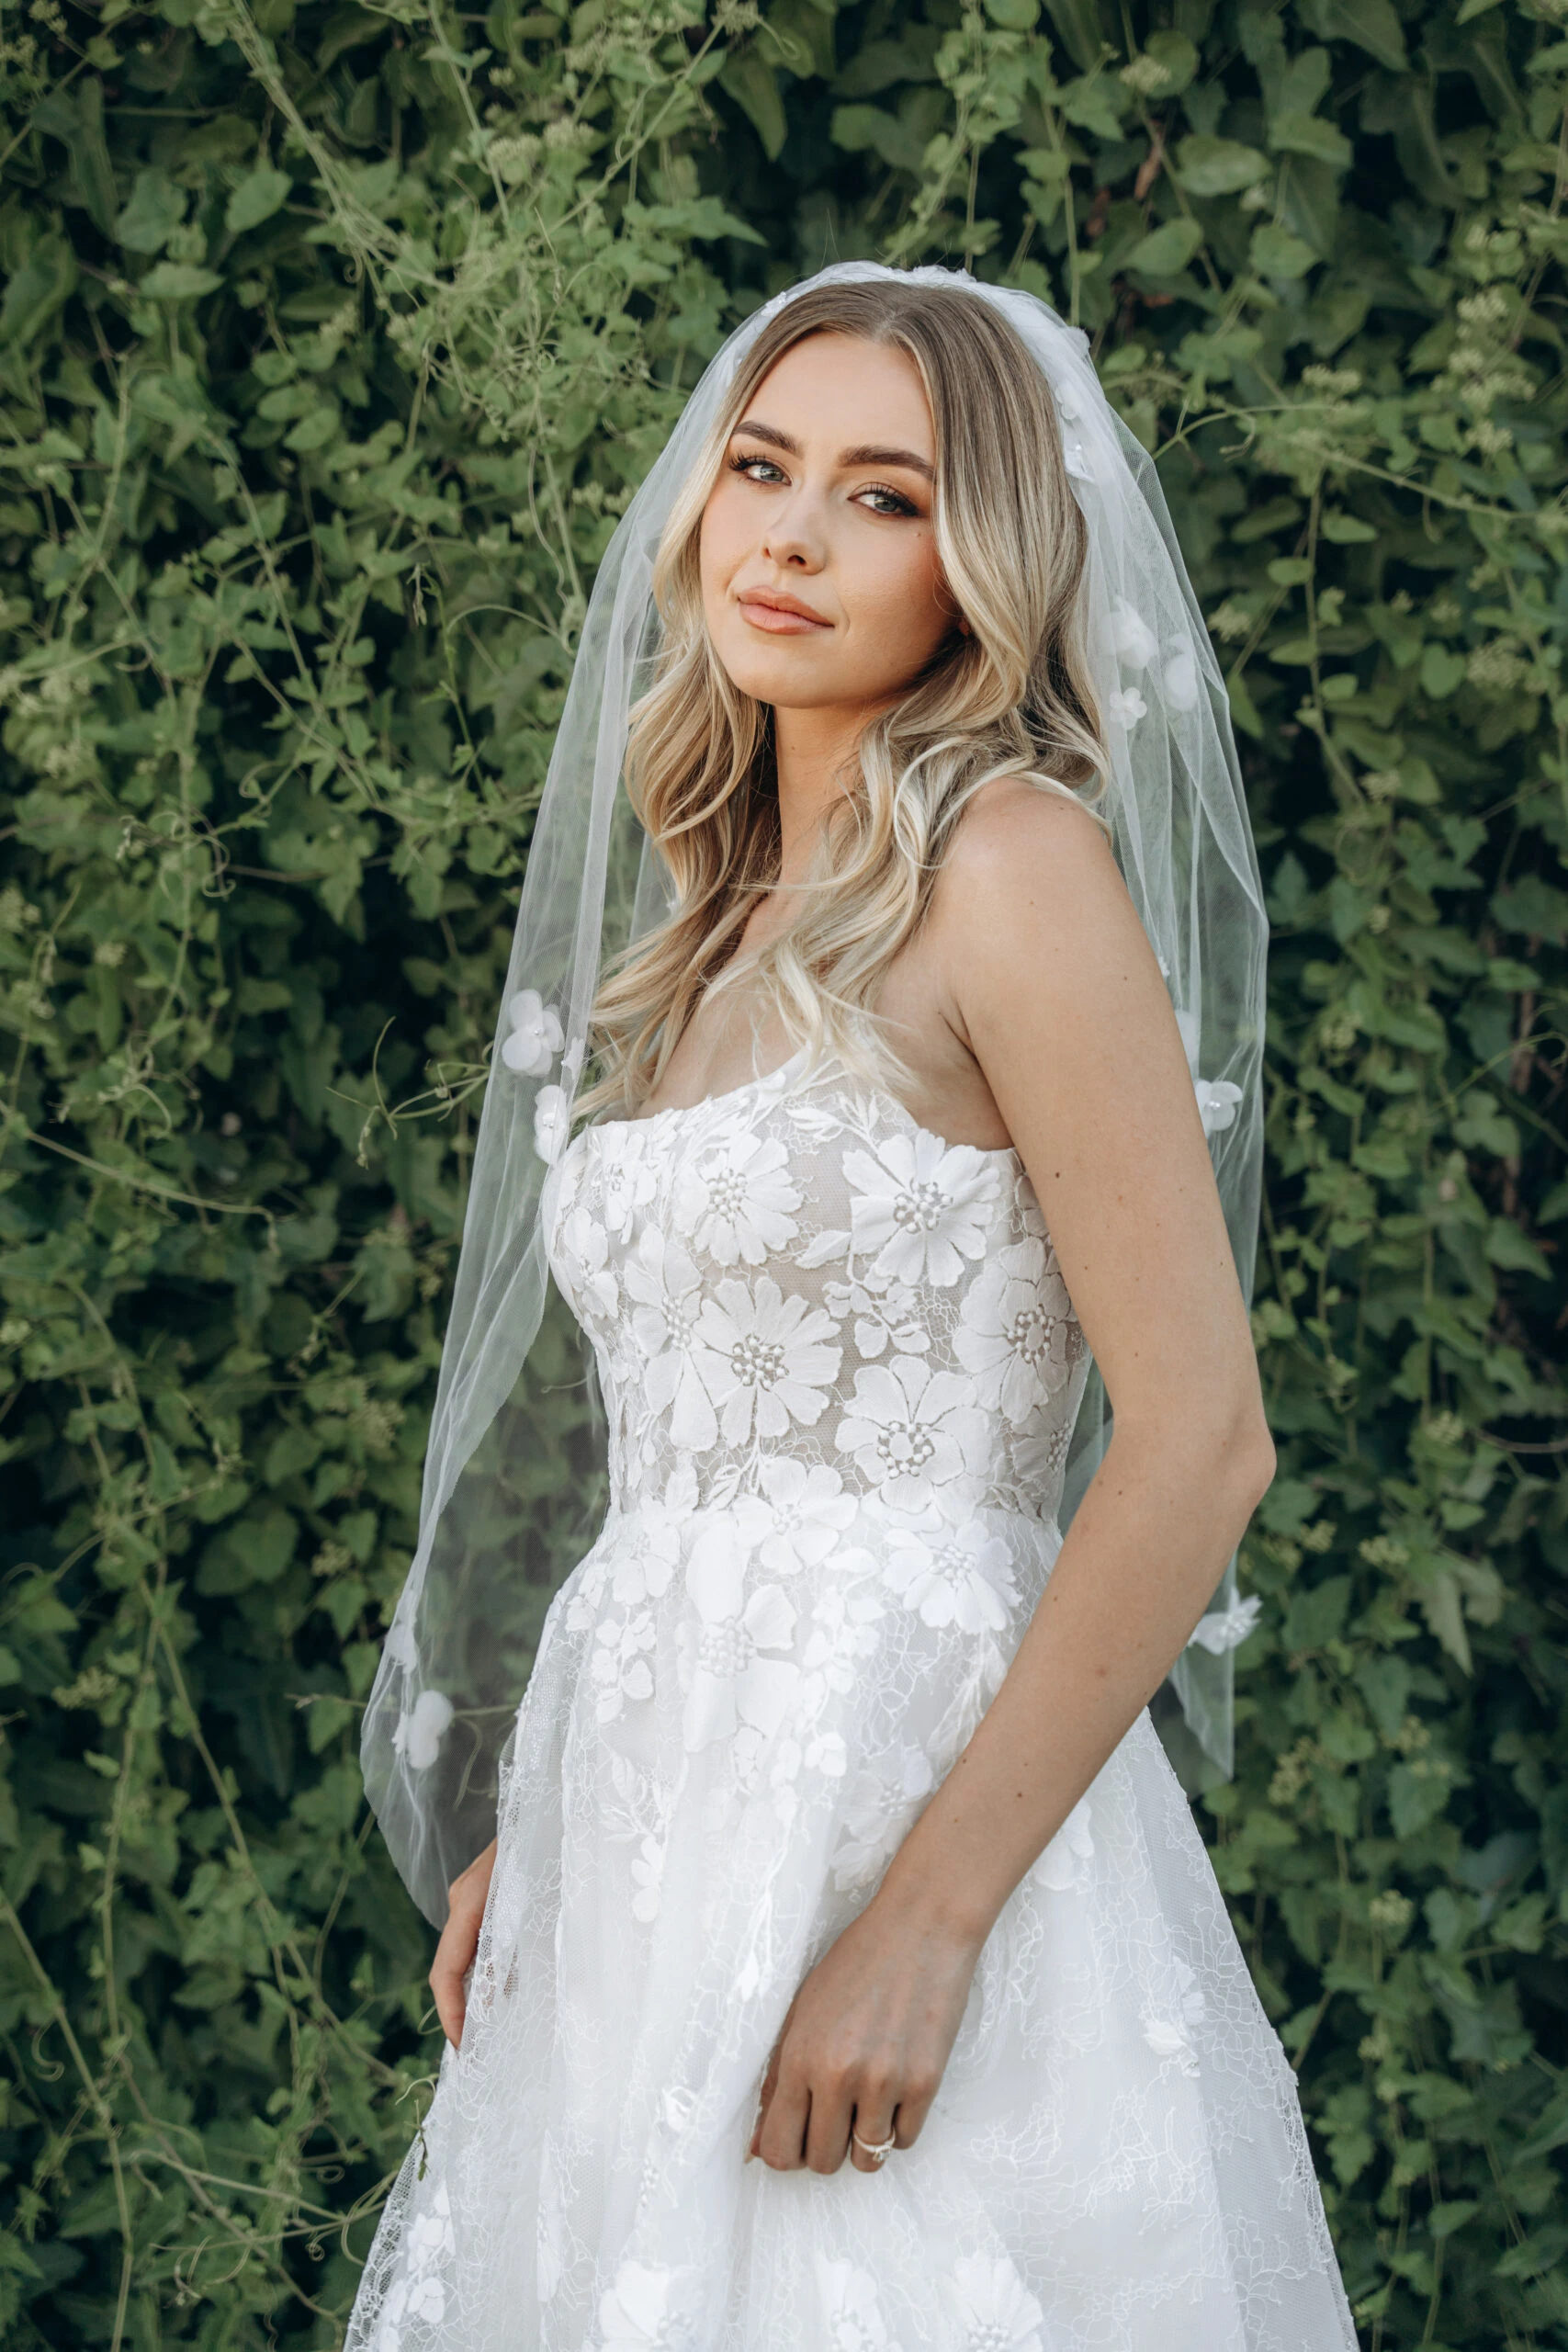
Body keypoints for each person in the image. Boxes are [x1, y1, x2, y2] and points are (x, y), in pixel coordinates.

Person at [346, 266, 1359, 2351]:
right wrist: (547, 1833)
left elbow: (1199, 1439)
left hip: (908, 1795)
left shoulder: (1011, 867)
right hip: (642, 1825)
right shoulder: (707, 925)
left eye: (881, 496)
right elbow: (685, 1471)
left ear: (977, 568)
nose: (789, 535)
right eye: (759, 468)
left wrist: (927, 1915)